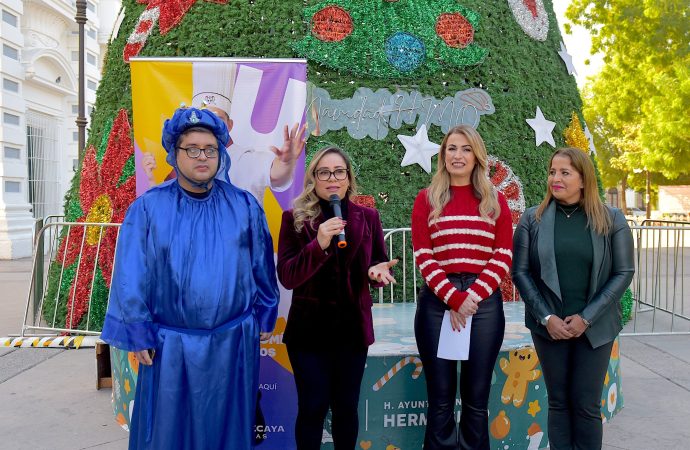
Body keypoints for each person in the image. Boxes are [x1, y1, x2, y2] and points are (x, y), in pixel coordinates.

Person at [101, 106, 279, 449]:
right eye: (192, 149)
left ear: (220, 154)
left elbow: (262, 267)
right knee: (169, 434)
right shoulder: (148, 208)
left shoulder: (244, 206)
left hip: (233, 344)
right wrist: (138, 333)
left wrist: (265, 313)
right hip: (171, 347)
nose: (202, 156)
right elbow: (131, 275)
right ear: (175, 153)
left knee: (227, 430)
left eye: (210, 149)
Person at [511, 147, 634, 450]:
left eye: (565, 172)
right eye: (553, 171)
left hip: (596, 328)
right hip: (549, 327)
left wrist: (586, 318)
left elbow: (623, 272)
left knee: (586, 406)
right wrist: (546, 317)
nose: (556, 178)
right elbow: (521, 273)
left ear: (583, 179)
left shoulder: (612, 219)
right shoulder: (532, 220)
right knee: (559, 403)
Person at [276, 146, 397, 449]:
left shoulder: (368, 217)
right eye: (324, 172)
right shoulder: (294, 218)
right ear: (313, 178)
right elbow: (288, 276)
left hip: (352, 331)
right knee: (312, 407)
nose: (332, 178)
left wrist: (377, 274)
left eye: (339, 172)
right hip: (309, 334)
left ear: (348, 178)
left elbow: (376, 265)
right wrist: (318, 243)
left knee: (346, 408)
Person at [411, 125, 513, 450]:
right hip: (437, 303)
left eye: (466, 149)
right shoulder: (427, 199)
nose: (458, 155)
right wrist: (454, 299)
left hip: (483, 305)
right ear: (443, 156)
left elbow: (502, 255)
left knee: (475, 401)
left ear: (477, 156)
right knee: (440, 401)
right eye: (451, 148)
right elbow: (424, 256)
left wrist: (470, 299)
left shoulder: (495, 201)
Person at [141, 104, 305, 206]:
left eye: (218, 118)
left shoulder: (247, 159)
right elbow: (162, 209)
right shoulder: (182, 167)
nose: (203, 157)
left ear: (229, 125)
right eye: (194, 150)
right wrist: (150, 180)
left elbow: (276, 174)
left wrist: (285, 163)